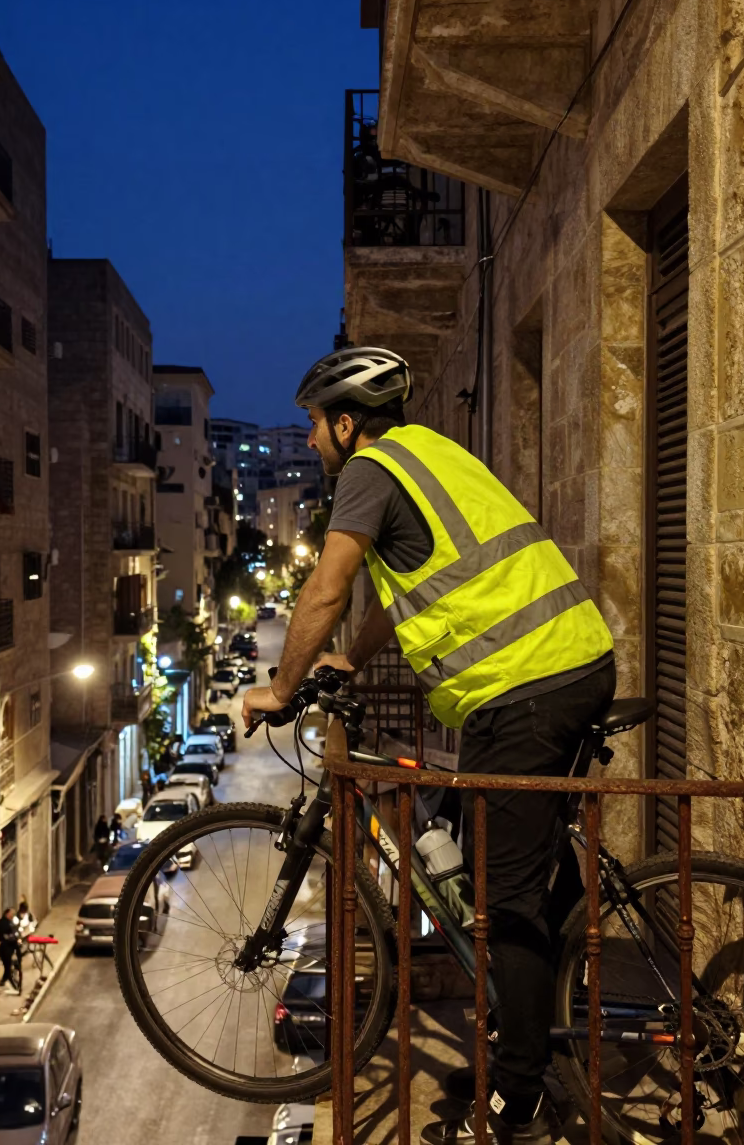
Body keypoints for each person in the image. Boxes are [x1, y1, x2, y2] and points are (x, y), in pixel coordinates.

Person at [241, 346, 615, 1145]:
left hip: (527, 688)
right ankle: (532, 1025)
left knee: (501, 897)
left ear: (347, 424)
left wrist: (280, 688)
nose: (310, 440)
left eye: (314, 424)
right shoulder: (431, 453)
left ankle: (519, 1099)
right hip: (555, 670)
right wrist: (355, 656)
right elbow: (404, 587)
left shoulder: (369, 472)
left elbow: (329, 584)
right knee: (518, 877)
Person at [0, 906, 19, 993]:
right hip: (5, 948)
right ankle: (12, 983)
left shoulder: (10, 922)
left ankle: (5, 980)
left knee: (8, 965)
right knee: (7, 965)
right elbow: (4, 935)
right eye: (11, 914)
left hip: (9, 946)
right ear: (7, 913)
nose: (12, 915)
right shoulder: (2, 923)